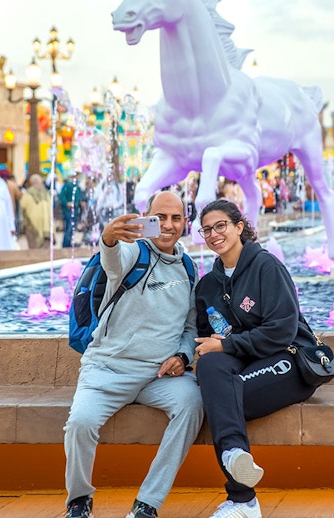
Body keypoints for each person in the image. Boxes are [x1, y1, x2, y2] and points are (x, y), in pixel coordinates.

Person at [63, 191, 203, 518]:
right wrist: (108, 239)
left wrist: (183, 357)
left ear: (185, 221)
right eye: (160, 217)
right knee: (80, 423)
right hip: (107, 372)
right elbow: (111, 258)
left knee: (193, 404)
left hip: (157, 377)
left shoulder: (188, 267)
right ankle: (79, 500)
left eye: (176, 218)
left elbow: (190, 326)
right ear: (146, 218)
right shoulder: (131, 254)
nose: (168, 225)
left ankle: (147, 504)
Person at [193, 200, 320, 518]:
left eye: (220, 225)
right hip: (244, 364)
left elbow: (281, 331)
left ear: (239, 227)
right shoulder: (208, 286)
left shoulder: (266, 266)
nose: (213, 234)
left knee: (222, 400)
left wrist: (227, 345)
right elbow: (208, 338)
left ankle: (241, 498)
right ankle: (235, 461)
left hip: (288, 363)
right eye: (207, 229)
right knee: (210, 366)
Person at [20, 173, 52, 249]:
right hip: (46, 225)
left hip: (32, 225)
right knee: (45, 250)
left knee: (34, 249)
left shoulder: (27, 194)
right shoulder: (47, 194)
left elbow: (22, 206)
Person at [59, 171, 86, 248]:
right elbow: (61, 196)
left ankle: (69, 242)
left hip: (75, 209)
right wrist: (67, 203)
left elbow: (78, 197)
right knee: (69, 227)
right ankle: (66, 244)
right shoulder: (67, 185)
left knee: (72, 227)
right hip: (68, 210)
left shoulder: (77, 186)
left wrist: (80, 202)